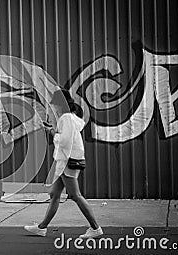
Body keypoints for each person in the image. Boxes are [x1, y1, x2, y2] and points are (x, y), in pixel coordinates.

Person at [24, 89, 103, 239]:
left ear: (61, 104)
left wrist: (53, 133)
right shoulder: (71, 118)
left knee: (75, 195)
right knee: (54, 194)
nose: (54, 107)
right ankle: (42, 227)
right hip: (67, 160)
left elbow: (65, 141)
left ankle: (95, 228)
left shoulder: (65, 118)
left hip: (67, 161)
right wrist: (53, 130)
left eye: (56, 104)